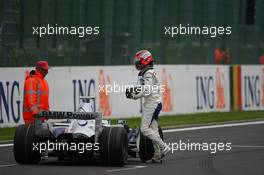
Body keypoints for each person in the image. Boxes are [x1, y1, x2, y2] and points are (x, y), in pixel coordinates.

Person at [126, 50, 171, 163]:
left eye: (139, 62)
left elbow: (147, 90)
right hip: (153, 103)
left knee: (144, 129)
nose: (137, 64)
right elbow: (143, 89)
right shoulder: (147, 72)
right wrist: (134, 93)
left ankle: (164, 147)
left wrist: (134, 95)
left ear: (146, 61)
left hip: (152, 104)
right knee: (153, 130)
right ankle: (157, 155)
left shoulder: (148, 73)